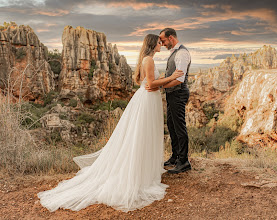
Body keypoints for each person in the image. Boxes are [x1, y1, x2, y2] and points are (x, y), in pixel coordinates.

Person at [37, 34, 184, 212]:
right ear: (153, 44)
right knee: (143, 135)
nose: (161, 44)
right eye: (159, 42)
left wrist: (161, 83)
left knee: (142, 135)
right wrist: (172, 77)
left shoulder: (145, 59)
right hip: (147, 100)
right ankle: (139, 174)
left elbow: (148, 84)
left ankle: (142, 170)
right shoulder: (149, 60)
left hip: (147, 98)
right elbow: (151, 83)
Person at [146, 28, 191, 174]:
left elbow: (179, 79)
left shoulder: (182, 53)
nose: (162, 43)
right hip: (172, 94)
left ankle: (183, 161)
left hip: (178, 93)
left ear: (171, 38)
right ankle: (175, 156)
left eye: (163, 40)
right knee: (171, 125)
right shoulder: (174, 53)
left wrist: (160, 86)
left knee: (179, 126)